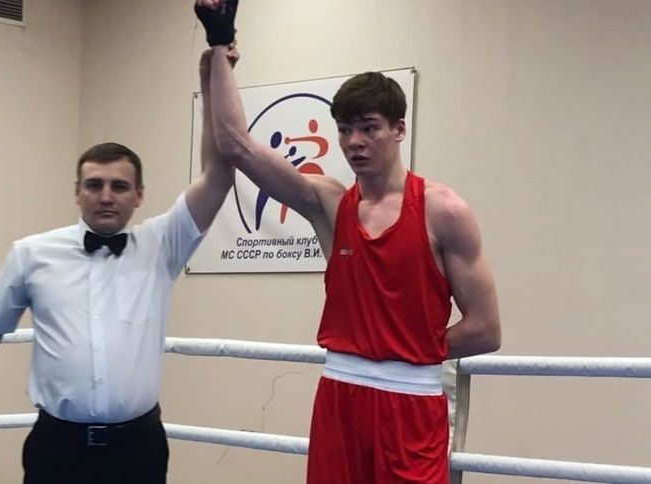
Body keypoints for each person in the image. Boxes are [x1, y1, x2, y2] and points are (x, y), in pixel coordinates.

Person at [195, 1, 503, 481]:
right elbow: (237, 146)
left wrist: (404, 352)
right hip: (339, 399)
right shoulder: (328, 204)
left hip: (412, 405)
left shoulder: (445, 211)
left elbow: (485, 330)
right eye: (345, 130)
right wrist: (219, 46)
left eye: (369, 128)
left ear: (398, 129)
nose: (355, 141)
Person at [0, 54, 236, 484]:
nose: (106, 196)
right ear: (77, 192)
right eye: (94, 185)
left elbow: (218, 175)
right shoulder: (31, 254)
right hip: (57, 448)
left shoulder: (162, 244)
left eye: (119, 186)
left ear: (139, 195)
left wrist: (211, 80)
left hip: (137, 448)